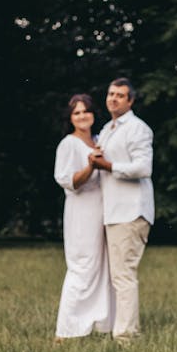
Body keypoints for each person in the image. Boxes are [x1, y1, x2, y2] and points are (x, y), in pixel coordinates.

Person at [89, 77, 154, 341]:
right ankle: (112, 327)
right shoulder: (107, 129)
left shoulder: (137, 129)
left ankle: (126, 336)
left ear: (131, 101)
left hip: (130, 212)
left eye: (120, 95)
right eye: (110, 93)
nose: (113, 98)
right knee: (115, 275)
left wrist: (108, 166)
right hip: (113, 212)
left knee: (124, 275)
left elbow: (143, 167)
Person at [53, 94, 114, 339]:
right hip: (81, 212)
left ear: (93, 114)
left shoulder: (100, 140)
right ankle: (67, 329)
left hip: (103, 210)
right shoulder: (68, 144)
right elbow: (70, 182)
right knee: (82, 267)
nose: (82, 116)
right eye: (76, 113)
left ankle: (99, 324)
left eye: (85, 111)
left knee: (103, 267)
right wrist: (90, 166)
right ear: (70, 118)